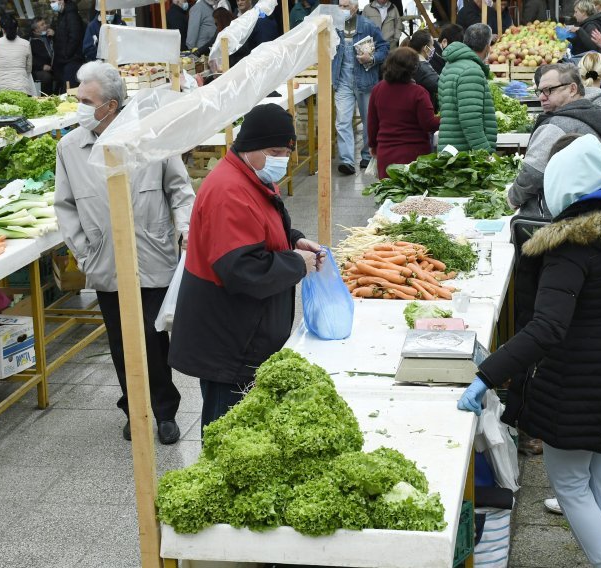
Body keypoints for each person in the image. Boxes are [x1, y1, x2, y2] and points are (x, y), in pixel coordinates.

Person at [459, 133, 601, 568]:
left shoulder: (570, 247)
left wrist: (486, 375)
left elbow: (547, 328)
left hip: (580, 381)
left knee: (569, 483)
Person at [54, 61, 195, 445]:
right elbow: (64, 207)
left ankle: (165, 411)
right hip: (106, 261)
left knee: (152, 339)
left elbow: (181, 190)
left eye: (87, 100)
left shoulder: (149, 139)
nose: (80, 106)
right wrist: (86, 254)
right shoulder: (70, 148)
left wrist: (184, 229)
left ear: (111, 106)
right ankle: (134, 410)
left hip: (152, 255)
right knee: (119, 342)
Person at [168, 103, 322, 431]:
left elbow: (258, 229)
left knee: (245, 432)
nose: (282, 159)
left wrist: (293, 240)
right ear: (249, 146)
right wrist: (296, 264)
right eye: (274, 151)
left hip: (242, 334)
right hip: (229, 343)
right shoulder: (228, 191)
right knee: (228, 436)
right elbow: (241, 270)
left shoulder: (250, 175)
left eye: (286, 151)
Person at [507, 63, 601, 218]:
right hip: (596, 215)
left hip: (551, 222)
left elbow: (532, 174)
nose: (541, 96)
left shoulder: (556, 125)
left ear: (572, 89)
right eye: (540, 91)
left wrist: (512, 199)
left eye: (549, 90)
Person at [332, 0, 389, 175]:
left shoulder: (368, 25)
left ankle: (367, 155)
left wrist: (371, 58)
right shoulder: (334, 27)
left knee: (368, 120)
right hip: (342, 80)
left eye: (346, 6)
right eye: (340, 6)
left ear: (355, 8)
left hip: (365, 79)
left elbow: (384, 47)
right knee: (342, 121)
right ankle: (347, 160)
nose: (342, 10)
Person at [367, 47, 440, 178]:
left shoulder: (378, 89)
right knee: (413, 196)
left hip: (386, 153)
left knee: (390, 194)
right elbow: (428, 124)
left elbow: (372, 123)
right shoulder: (419, 93)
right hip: (415, 155)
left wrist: (373, 145)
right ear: (413, 69)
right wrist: (446, 116)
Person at [437, 23, 497, 152]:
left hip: (452, 149)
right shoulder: (471, 71)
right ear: (487, 47)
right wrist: (485, 153)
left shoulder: (450, 65)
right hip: (464, 156)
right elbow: (471, 121)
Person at [0, 16, 36, 96]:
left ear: (2, 29)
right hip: (21, 88)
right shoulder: (26, 44)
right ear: (17, 28)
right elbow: (28, 68)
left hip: (1, 88)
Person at [231, 0, 278, 65]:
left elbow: (264, 46)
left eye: (242, 0)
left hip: (258, 62)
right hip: (244, 62)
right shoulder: (235, 19)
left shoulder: (261, 19)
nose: (239, 3)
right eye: (237, 0)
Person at [51, 0, 85, 90]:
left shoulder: (71, 15)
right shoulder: (62, 15)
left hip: (71, 59)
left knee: (69, 89)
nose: (52, 4)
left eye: (53, 1)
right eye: (50, 2)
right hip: (65, 59)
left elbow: (75, 37)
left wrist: (66, 54)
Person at [409, 29, 439, 110]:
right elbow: (440, 85)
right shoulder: (423, 68)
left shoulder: (408, 62)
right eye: (432, 45)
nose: (433, 48)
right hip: (424, 109)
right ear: (426, 48)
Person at [31, 18, 55, 94]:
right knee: (46, 77)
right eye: (42, 25)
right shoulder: (32, 42)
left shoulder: (49, 36)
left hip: (54, 66)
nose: (45, 26)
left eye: (45, 23)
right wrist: (41, 66)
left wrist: (55, 36)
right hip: (38, 69)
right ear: (36, 30)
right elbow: (30, 59)